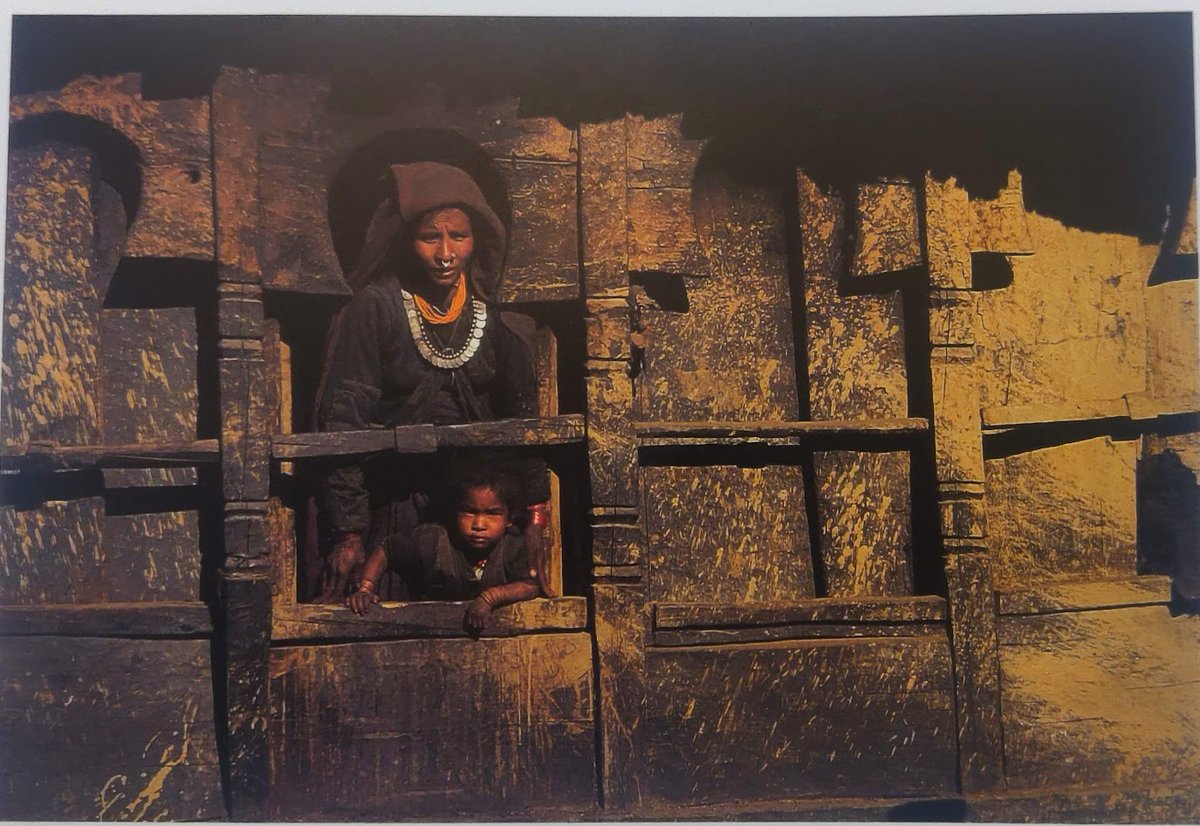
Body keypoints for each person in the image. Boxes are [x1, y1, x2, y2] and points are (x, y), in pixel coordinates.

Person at [313, 161, 551, 603]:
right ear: (407, 240)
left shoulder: (493, 318)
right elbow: (342, 418)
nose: (445, 253)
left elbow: (524, 424)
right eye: (430, 237)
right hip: (393, 514)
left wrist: (535, 518)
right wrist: (348, 533)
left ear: (476, 240)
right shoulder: (376, 309)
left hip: (474, 520)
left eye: (458, 236)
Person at [344, 464, 539, 633]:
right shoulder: (433, 539)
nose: (479, 524)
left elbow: (530, 586)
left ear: (509, 519)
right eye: (470, 512)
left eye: (492, 513)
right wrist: (365, 588)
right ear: (454, 512)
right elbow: (387, 550)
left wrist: (489, 598)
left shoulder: (512, 546)